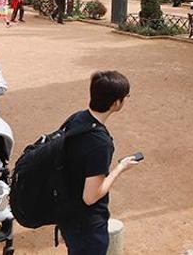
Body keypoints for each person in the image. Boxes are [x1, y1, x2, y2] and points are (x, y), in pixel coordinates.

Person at [58, 70, 140, 254]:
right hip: (86, 224)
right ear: (117, 102)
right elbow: (91, 196)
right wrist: (120, 168)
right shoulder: (100, 143)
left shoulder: (77, 118)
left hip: (67, 211)